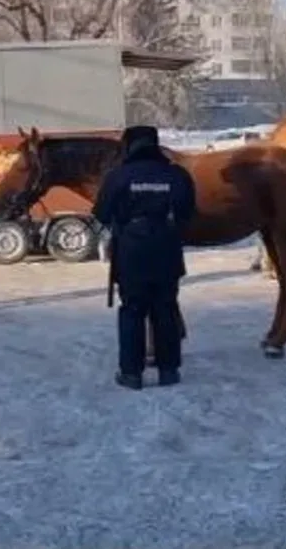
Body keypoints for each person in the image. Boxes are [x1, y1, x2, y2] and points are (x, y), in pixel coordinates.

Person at [92, 125, 197, 390]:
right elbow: (187, 212)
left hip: (131, 250)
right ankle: (168, 370)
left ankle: (131, 374)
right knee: (166, 307)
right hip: (167, 249)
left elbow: (101, 213)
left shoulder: (118, 176)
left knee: (132, 311)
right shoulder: (176, 174)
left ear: (128, 146)